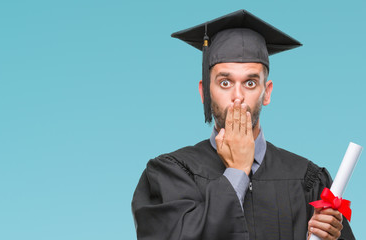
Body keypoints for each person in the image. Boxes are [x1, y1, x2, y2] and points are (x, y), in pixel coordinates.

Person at [131, 10, 355, 240]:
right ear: (204, 92)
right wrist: (237, 171)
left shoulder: (307, 180)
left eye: (250, 82)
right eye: (225, 82)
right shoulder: (172, 174)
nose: (237, 96)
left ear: (266, 93)